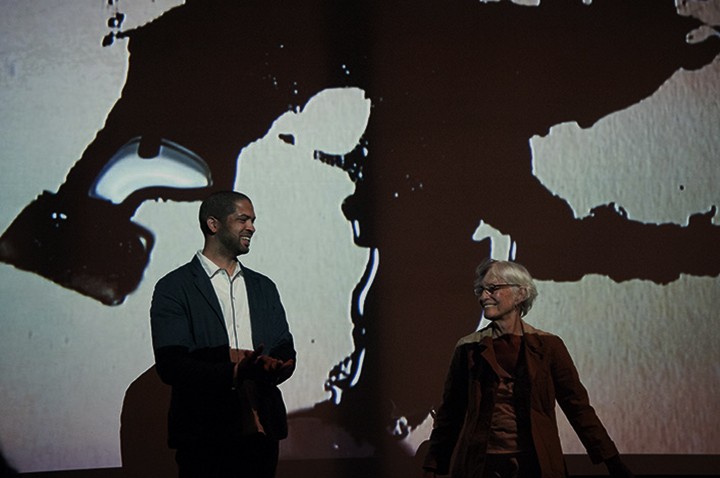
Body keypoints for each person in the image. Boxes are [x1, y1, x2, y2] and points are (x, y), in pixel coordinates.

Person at [422, 259, 633, 478]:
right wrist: (433, 466)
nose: (484, 297)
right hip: (481, 465)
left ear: (520, 294)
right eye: (480, 290)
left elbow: (577, 408)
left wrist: (612, 461)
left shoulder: (549, 346)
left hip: (536, 464)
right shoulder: (468, 348)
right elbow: (451, 412)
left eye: (493, 289)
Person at [150, 190, 296, 478]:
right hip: (205, 438)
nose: (252, 227)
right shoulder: (174, 287)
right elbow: (172, 365)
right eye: (243, 219)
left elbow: (284, 348)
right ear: (213, 225)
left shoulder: (264, 287)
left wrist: (278, 365)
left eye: (253, 220)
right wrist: (235, 370)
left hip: (262, 435)